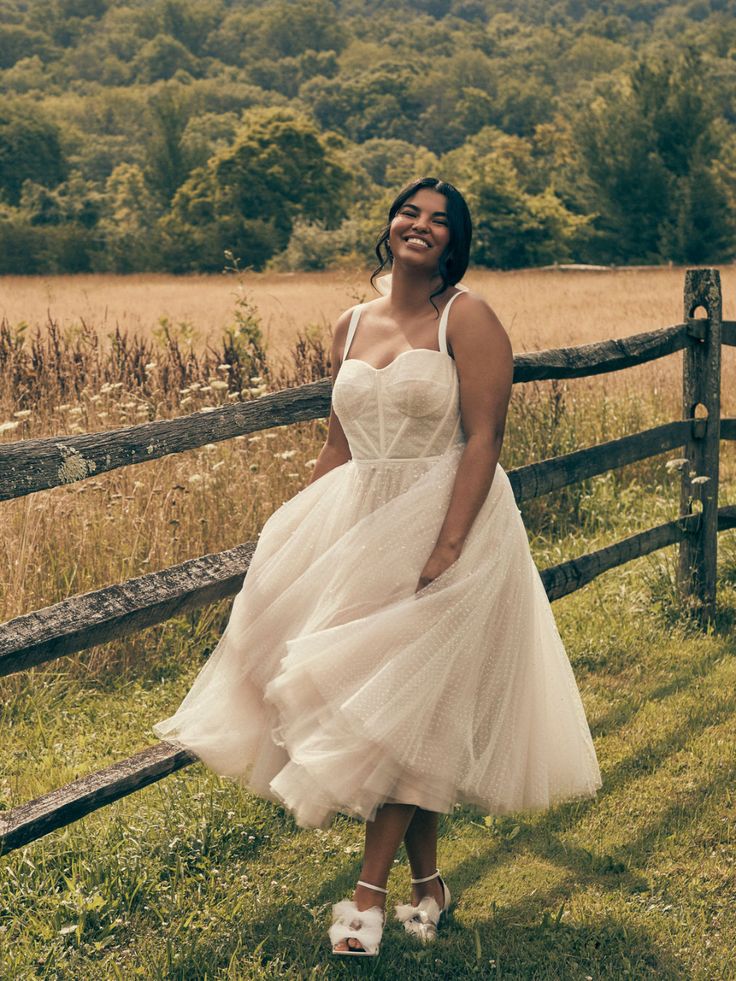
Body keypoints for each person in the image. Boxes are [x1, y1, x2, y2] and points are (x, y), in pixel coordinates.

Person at [153, 177, 602, 958]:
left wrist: (448, 545)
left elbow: (486, 437)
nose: (420, 226)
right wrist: (297, 538)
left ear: (454, 243)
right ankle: (430, 885)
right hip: (363, 520)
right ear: (389, 228)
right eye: (410, 213)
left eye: (439, 221)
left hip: (449, 518)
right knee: (404, 706)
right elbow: (339, 442)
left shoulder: (469, 317)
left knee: (398, 705)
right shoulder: (350, 323)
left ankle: (366, 899)